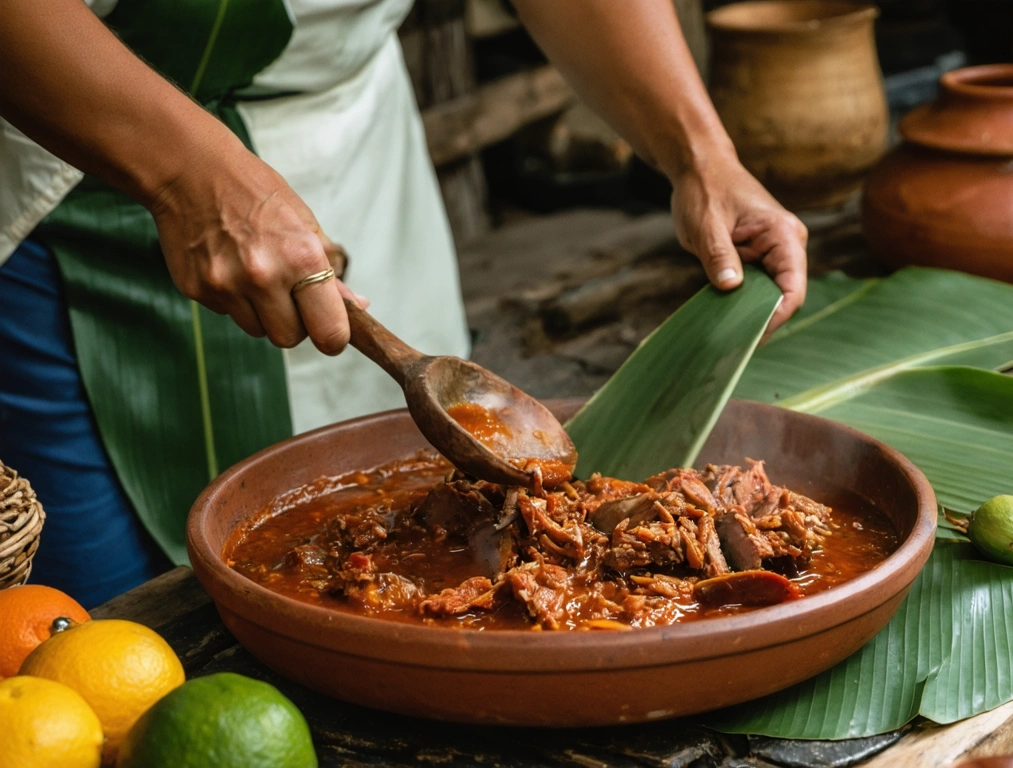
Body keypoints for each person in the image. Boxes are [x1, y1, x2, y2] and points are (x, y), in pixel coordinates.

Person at [0, 0, 809, 606]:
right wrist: (183, 172)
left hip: (345, 140)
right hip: (60, 176)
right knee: (96, 627)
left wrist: (700, 153)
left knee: (432, 510)